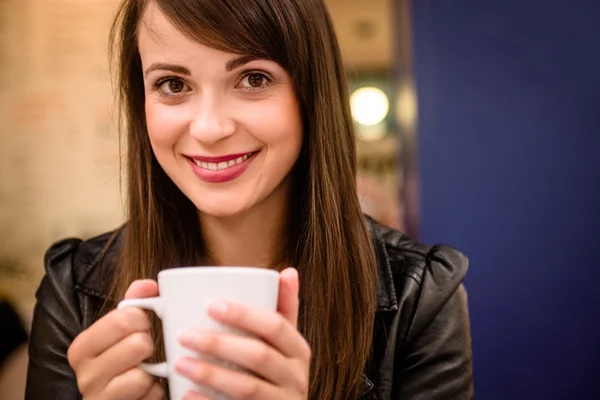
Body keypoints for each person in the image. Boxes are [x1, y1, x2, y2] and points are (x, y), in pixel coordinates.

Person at [25, 0, 473, 399]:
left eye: (253, 78)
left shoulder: (420, 298)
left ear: (311, 95)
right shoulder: (74, 294)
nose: (209, 128)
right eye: (173, 85)